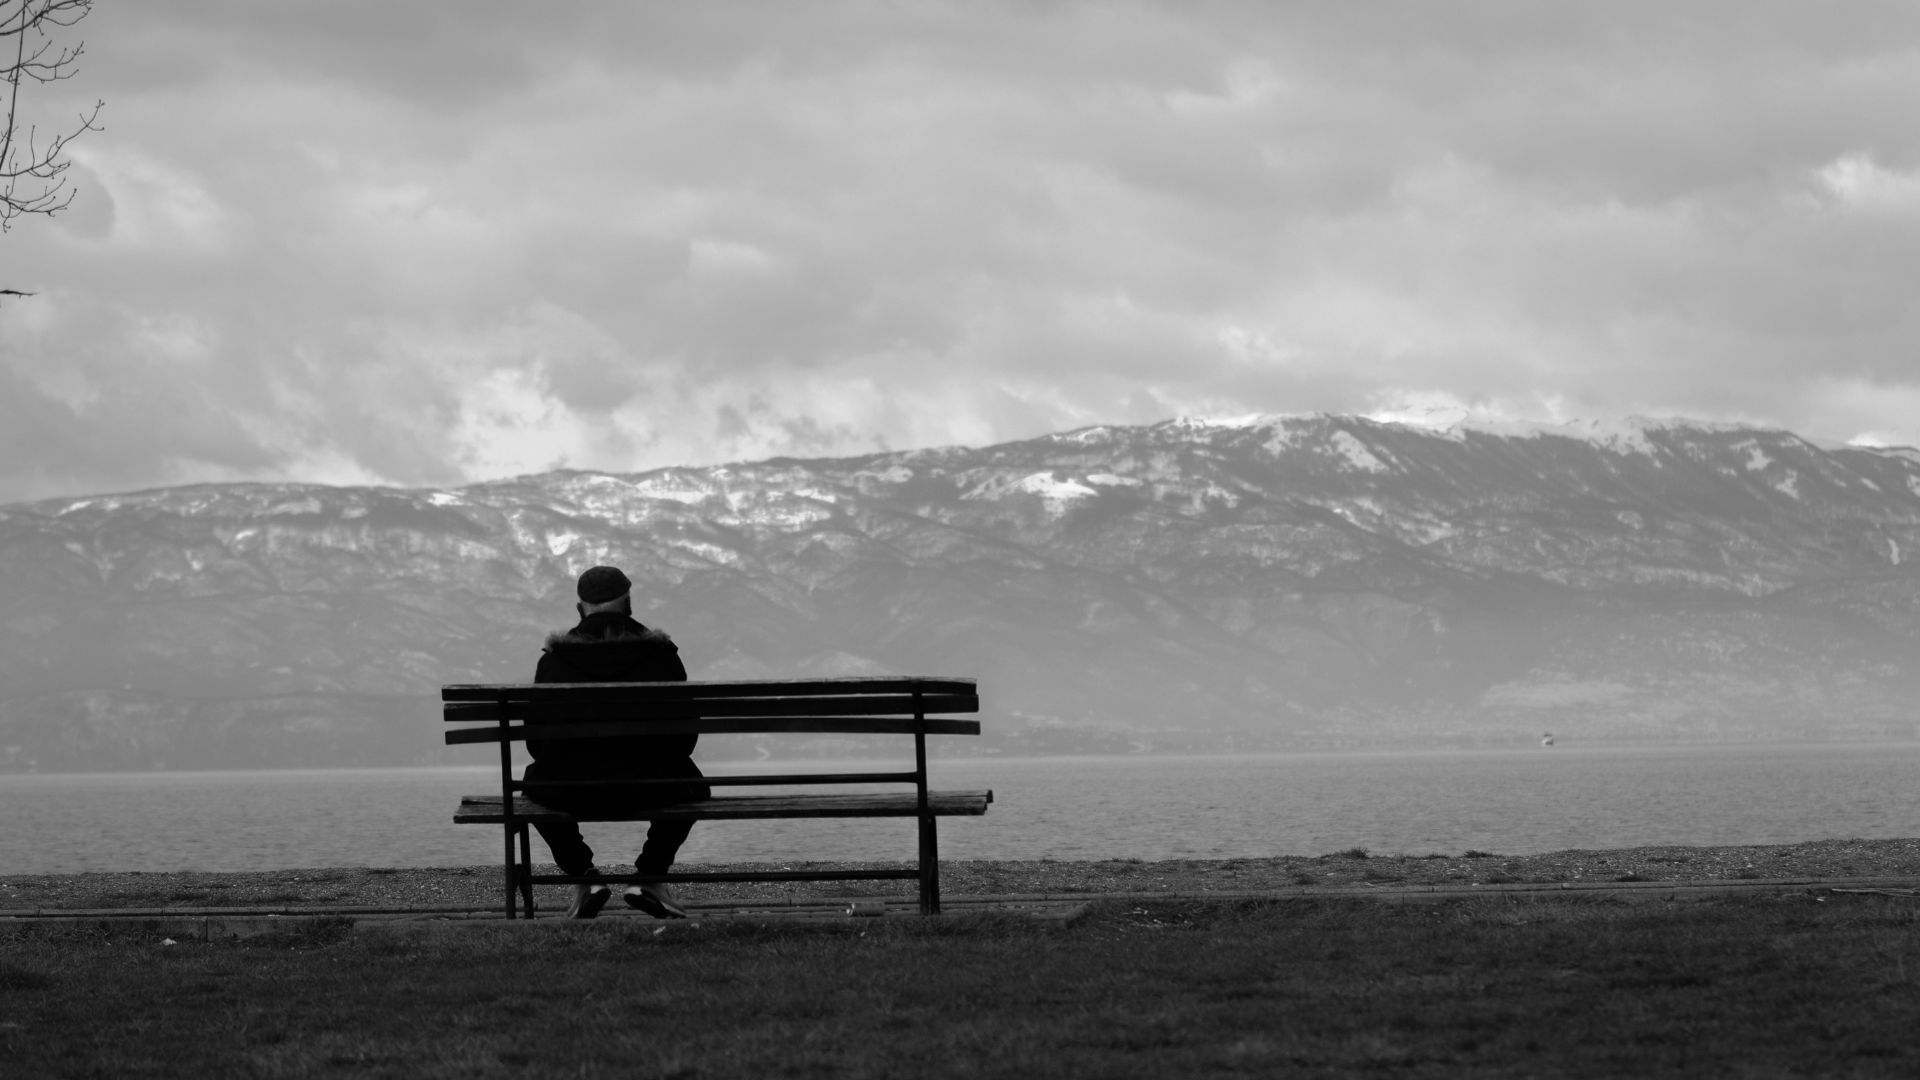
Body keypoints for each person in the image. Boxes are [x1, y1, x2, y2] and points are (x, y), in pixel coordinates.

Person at [523, 565, 709, 919]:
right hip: (654, 786)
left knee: (532, 788)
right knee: (694, 786)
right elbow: (685, 735)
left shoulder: (555, 661)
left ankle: (585, 877)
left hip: (569, 788)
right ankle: (649, 877)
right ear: (628, 603)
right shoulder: (662, 656)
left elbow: (536, 741)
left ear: (581, 607)